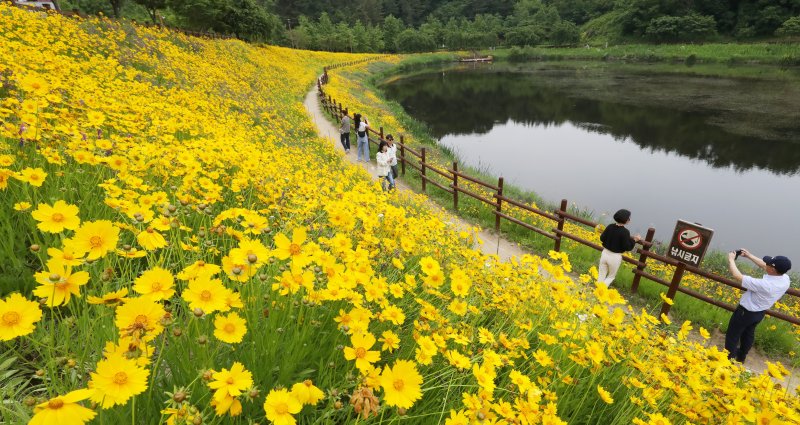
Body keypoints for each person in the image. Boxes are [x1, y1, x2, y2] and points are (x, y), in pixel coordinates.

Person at [725, 249, 791, 363]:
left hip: (745, 312)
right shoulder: (784, 279)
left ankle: (728, 360)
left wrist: (731, 259)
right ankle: (741, 357)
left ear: (773, 269)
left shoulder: (766, 285)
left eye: (769, 264)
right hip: (759, 313)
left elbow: (737, 276)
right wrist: (749, 256)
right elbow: (765, 266)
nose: (766, 265)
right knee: (748, 335)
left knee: (733, 335)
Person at [597, 209, 641, 286]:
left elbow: (602, 238)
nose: (629, 219)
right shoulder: (625, 232)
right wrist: (634, 240)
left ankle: (597, 290)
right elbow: (627, 247)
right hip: (615, 257)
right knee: (611, 277)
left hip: (605, 253)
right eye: (629, 218)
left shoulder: (610, 226)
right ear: (626, 220)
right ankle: (601, 291)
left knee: (601, 274)